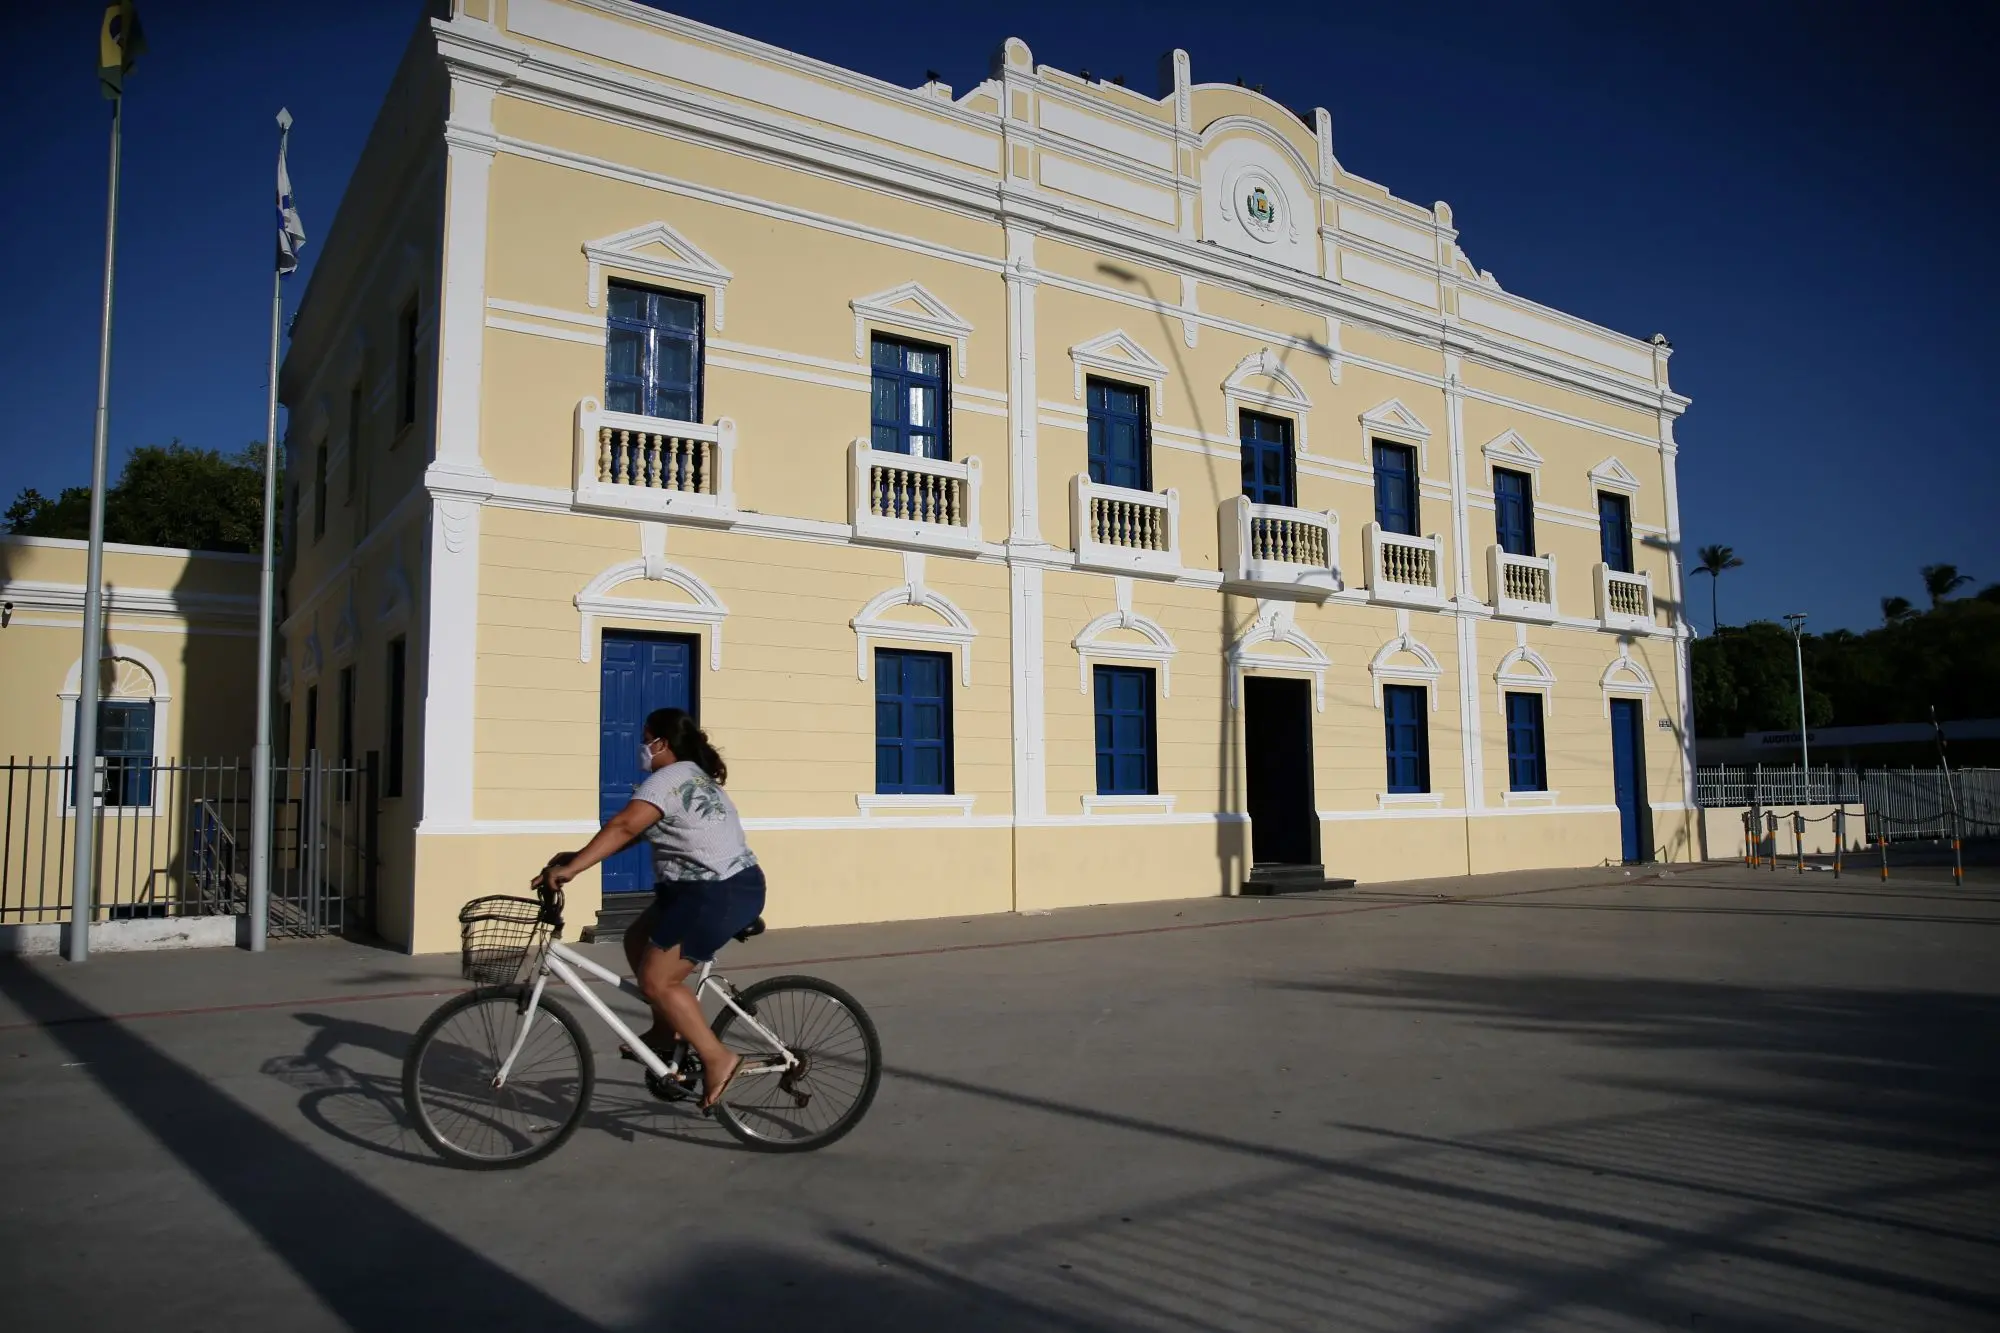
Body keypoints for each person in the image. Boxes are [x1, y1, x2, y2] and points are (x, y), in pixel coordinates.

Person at [536, 707, 764, 1112]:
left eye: (647, 737)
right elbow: (632, 835)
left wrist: (572, 870)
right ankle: (666, 1032)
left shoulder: (669, 779)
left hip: (717, 891)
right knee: (636, 938)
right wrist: (578, 858)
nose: (642, 746)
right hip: (697, 890)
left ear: (663, 742)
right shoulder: (691, 776)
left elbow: (624, 825)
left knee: (659, 981)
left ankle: (718, 1059)